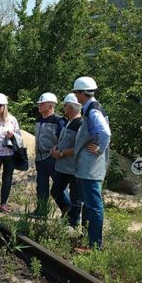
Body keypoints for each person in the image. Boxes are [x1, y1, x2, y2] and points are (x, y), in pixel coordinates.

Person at [72, 76, 111, 249]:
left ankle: (95, 244)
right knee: (89, 204)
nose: (75, 97)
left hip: (91, 166)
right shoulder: (91, 109)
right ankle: (89, 241)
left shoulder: (93, 111)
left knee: (94, 205)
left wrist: (99, 149)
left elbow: (105, 133)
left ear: (82, 93)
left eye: (76, 93)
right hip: (87, 166)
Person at [32, 92, 69, 218]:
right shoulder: (38, 120)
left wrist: (58, 150)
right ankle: (41, 211)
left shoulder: (59, 121)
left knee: (59, 186)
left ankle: (68, 211)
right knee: (41, 186)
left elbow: (64, 139)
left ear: (51, 105)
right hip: (40, 158)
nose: (39, 105)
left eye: (42, 103)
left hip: (53, 158)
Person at [51, 93, 83, 228]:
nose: (63, 108)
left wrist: (62, 153)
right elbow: (63, 140)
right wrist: (56, 148)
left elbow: (79, 148)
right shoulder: (69, 122)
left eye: (65, 106)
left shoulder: (80, 124)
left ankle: (73, 223)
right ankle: (67, 211)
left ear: (70, 107)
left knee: (76, 197)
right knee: (55, 191)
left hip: (74, 168)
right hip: (62, 166)